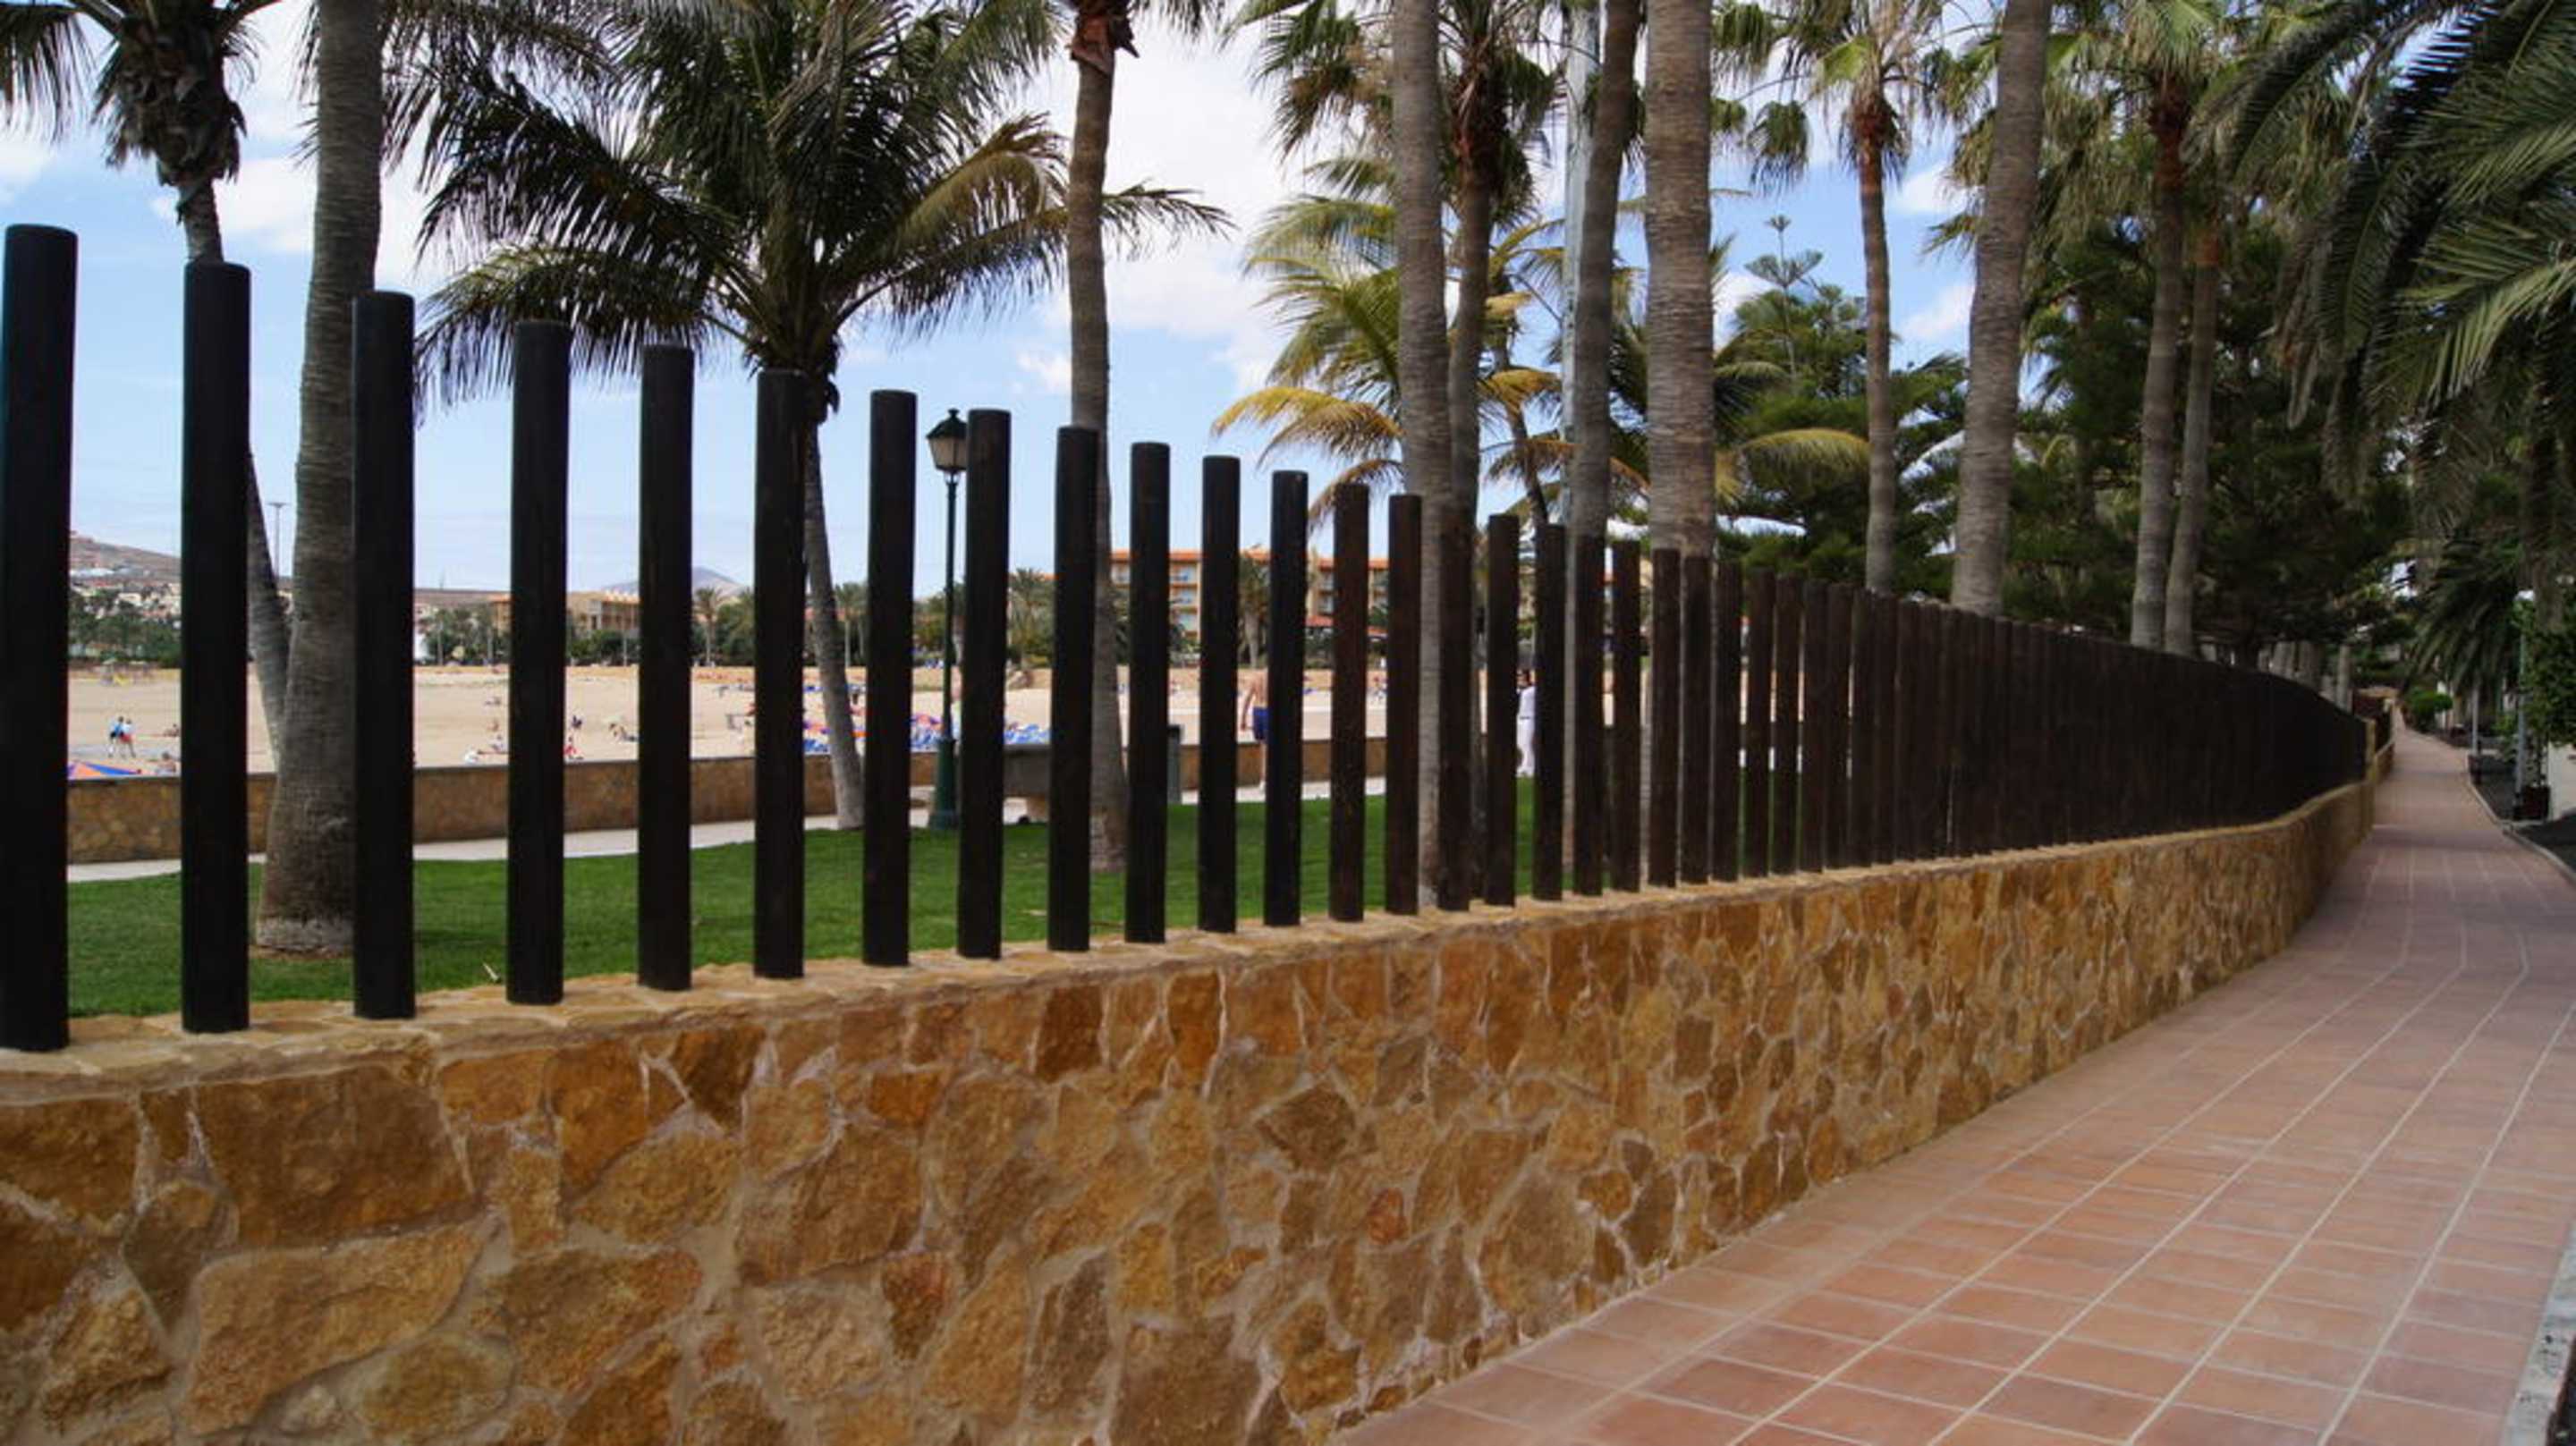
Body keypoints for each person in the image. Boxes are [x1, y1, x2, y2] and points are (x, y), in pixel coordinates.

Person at [1515, 671, 1537, 776]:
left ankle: (1526, 768)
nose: (1519, 677)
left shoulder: (1533, 690)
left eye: (1521, 675)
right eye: (1518, 676)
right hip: (1519, 718)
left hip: (1529, 719)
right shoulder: (1519, 690)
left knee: (1527, 743)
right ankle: (1530, 766)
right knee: (1520, 743)